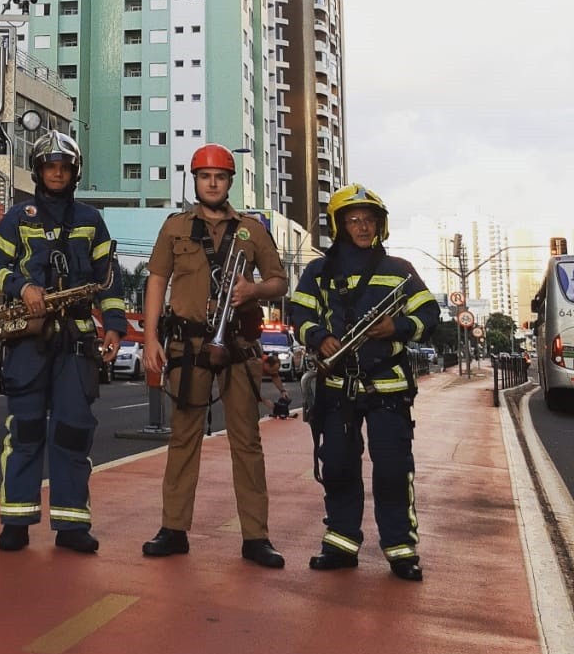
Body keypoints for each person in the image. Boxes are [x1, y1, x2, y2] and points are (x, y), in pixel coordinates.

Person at [141, 144, 289, 568]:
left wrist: (253, 290)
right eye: (204, 176)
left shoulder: (252, 230)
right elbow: (157, 281)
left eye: (219, 177)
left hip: (239, 345)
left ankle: (256, 537)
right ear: (195, 180)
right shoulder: (175, 228)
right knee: (183, 437)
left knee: (247, 441)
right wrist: (150, 338)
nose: (212, 183)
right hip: (187, 347)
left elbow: (278, 281)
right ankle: (173, 529)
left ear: (229, 182)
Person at [0, 130, 127, 554]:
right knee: (25, 431)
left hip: (77, 340)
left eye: (64, 167)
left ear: (74, 172)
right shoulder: (18, 216)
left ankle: (71, 525)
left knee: (73, 432)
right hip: (29, 335)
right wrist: (22, 286)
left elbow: (108, 279)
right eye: (50, 166)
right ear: (40, 171)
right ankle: (16, 521)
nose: (57, 173)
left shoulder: (90, 219)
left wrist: (115, 324)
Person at [289, 184, 441, 582]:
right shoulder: (318, 271)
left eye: (369, 219)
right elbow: (300, 312)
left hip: (387, 388)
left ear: (380, 224)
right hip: (336, 386)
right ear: (339, 224)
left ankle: (401, 549)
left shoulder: (401, 270)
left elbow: (431, 315)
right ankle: (340, 542)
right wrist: (319, 337)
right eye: (354, 220)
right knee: (337, 466)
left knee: (393, 469)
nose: (362, 226)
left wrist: (398, 325)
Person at [259, 347, 291, 418]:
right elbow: (251, 387)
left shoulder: (268, 364)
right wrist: (263, 400)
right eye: (273, 370)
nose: (275, 372)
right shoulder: (257, 366)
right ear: (267, 365)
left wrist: (283, 391)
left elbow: (275, 376)